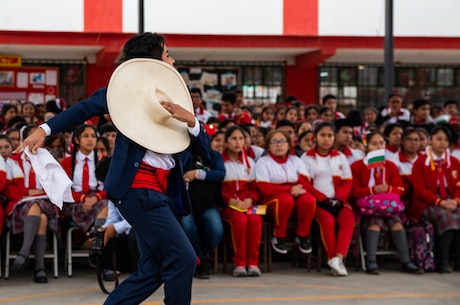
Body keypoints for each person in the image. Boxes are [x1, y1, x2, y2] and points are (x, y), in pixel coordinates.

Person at [17, 32, 210, 305]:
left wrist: (191, 121)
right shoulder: (123, 91)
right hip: (137, 189)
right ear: (153, 60)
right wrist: (43, 129)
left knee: (152, 270)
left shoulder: (178, 99)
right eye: (167, 54)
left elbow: (205, 150)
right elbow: (84, 108)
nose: (173, 59)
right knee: (184, 258)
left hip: (164, 191)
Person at [351, 132, 421, 275]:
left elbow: (399, 188)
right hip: (367, 209)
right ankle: (371, 261)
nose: (378, 147)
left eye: (381, 143)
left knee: (397, 224)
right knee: (374, 223)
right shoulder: (357, 166)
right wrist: (373, 190)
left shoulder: (390, 166)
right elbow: (354, 191)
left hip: (388, 207)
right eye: (374, 144)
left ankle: (405, 262)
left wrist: (387, 189)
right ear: (367, 147)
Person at [1, 135, 60, 283]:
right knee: (41, 217)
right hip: (20, 205)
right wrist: (27, 192)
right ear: (24, 142)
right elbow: (9, 189)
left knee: (36, 206)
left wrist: (37, 193)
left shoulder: (47, 161)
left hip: (45, 202)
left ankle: (24, 251)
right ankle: (39, 268)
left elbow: (55, 185)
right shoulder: (13, 161)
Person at [302, 122, 355, 276]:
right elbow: (305, 184)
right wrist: (322, 198)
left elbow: (347, 182)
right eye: (322, 135)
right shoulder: (307, 157)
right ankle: (332, 258)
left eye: (330, 135)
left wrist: (339, 198)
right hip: (318, 203)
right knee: (327, 222)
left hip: (338, 201)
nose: (326, 139)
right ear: (315, 137)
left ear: (334, 137)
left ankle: (338, 258)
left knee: (348, 220)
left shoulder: (340, 157)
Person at [255, 129, 316, 255]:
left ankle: (302, 235)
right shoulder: (263, 162)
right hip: (269, 204)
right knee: (285, 200)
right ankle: (279, 236)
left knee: (309, 199)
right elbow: (264, 188)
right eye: (274, 142)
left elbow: (305, 183)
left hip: (294, 198)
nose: (279, 145)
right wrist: (289, 189)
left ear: (289, 144)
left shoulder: (297, 161)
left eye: (282, 141)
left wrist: (296, 190)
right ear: (268, 146)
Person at [410, 125, 460, 273]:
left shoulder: (454, 162)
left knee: (456, 216)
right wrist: (440, 202)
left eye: (445, 140)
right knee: (447, 218)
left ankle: (458, 260)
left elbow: (458, 186)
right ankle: (443, 261)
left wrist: (456, 201)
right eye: (439, 139)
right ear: (430, 140)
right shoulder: (421, 161)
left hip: (450, 200)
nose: (442, 143)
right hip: (427, 202)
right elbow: (419, 190)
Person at [221, 126, 262, 277]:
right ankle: (239, 263)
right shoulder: (220, 161)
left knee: (255, 220)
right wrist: (229, 200)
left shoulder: (250, 162)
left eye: (241, 138)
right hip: (228, 206)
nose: (238, 142)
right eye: (233, 138)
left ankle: (253, 263)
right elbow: (217, 189)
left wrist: (251, 199)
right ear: (226, 142)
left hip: (247, 204)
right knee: (240, 220)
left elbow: (255, 188)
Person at [181, 147, 225, 279]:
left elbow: (220, 174)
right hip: (186, 205)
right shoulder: (182, 153)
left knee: (217, 230)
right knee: (188, 227)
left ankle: (200, 256)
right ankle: (201, 261)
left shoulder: (214, 156)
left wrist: (197, 174)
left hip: (208, 205)